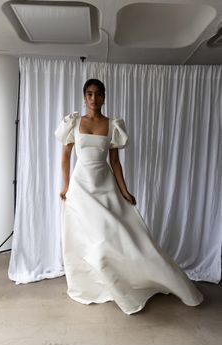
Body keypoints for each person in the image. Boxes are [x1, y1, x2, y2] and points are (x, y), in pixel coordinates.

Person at [54, 78, 203, 315]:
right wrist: (66, 185)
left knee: (117, 237)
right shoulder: (73, 123)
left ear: (104, 97)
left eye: (99, 94)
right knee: (84, 239)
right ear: (84, 97)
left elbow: (114, 162)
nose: (94, 99)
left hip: (105, 186)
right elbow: (65, 157)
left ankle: (138, 280)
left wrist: (124, 191)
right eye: (90, 94)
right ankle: (92, 285)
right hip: (81, 188)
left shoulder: (112, 124)